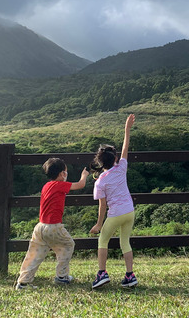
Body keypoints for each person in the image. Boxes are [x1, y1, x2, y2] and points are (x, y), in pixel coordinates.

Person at [14, 158, 89, 290]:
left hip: (40, 227)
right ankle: (62, 276)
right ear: (61, 174)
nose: (66, 174)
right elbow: (80, 185)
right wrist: (84, 176)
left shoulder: (46, 186)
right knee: (68, 244)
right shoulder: (59, 185)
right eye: (65, 172)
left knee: (34, 255)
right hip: (54, 226)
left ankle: (23, 282)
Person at [89, 113, 138, 289]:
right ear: (115, 159)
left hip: (115, 214)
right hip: (129, 211)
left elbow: (102, 206)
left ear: (100, 162)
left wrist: (99, 224)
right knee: (125, 242)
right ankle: (130, 276)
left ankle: (102, 273)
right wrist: (127, 129)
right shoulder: (121, 168)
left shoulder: (100, 181)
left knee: (103, 240)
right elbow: (126, 147)